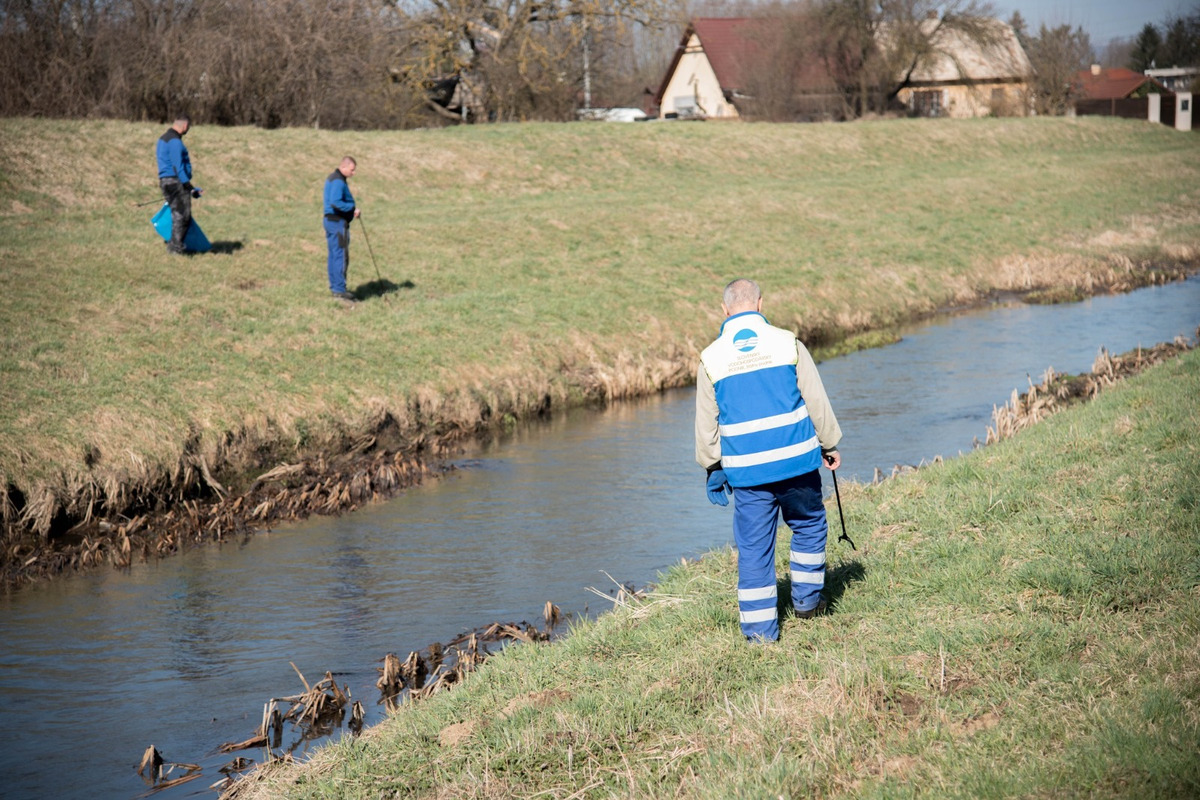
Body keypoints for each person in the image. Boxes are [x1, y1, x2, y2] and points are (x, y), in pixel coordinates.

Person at [694, 278, 844, 643]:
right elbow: (816, 401)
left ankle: (761, 634)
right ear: (760, 304)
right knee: (809, 526)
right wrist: (830, 443)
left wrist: (713, 467)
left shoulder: (711, 358)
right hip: (798, 465)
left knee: (754, 550)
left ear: (725, 310)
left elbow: (705, 423)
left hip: (748, 474)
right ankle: (807, 603)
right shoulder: (788, 343)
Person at [156, 114, 202, 255]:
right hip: (175, 182)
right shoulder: (175, 141)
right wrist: (189, 186)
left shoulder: (163, 139)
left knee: (177, 215)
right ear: (185, 126)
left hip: (166, 181)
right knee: (182, 216)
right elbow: (177, 166)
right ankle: (176, 249)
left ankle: (173, 246)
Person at [323, 156, 361, 301]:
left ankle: (335, 288)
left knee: (334, 254)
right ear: (344, 167)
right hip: (337, 223)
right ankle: (339, 290)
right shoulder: (338, 181)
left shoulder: (332, 178)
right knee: (340, 255)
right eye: (352, 170)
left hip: (330, 221)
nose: (353, 173)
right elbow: (335, 202)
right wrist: (351, 209)